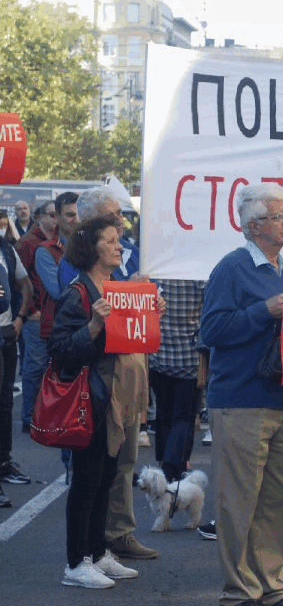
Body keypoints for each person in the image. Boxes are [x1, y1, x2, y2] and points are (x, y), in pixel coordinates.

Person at [199, 182, 283, 606]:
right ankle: (239, 590)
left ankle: (272, 583)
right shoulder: (232, 267)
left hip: (280, 397)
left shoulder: (281, 266)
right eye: (281, 216)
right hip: (240, 399)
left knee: (277, 499)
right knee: (239, 499)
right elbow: (211, 331)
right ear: (255, 225)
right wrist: (262, 310)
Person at [48, 214, 164, 589]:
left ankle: (97, 553)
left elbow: (134, 338)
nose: (119, 246)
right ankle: (75, 562)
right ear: (91, 248)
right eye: (111, 240)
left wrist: (150, 313)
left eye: (119, 240)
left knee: (107, 477)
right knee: (86, 480)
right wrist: (93, 326)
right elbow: (61, 350)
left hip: (119, 399)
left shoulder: (117, 288)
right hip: (92, 399)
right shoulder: (78, 292)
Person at [148, 279, 206, 483]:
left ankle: (163, 462)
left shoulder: (157, 275)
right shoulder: (198, 278)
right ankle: (173, 466)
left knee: (164, 414)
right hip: (189, 358)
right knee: (184, 417)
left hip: (159, 354)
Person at [15, 199, 57, 435]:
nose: (54, 220)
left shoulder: (60, 242)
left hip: (56, 317)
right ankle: (28, 418)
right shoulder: (27, 243)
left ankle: (45, 416)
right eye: (50, 215)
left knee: (52, 368)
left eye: (56, 215)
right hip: (36, 318)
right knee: (34, 368)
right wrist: (30, 311)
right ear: (40, 217)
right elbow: (20, 281)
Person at [0, 212, 33, 498]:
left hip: (6, 334)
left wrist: (20, 318)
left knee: (5, 403)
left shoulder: (6, 249)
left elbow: (25, 284)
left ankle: (4, 462)